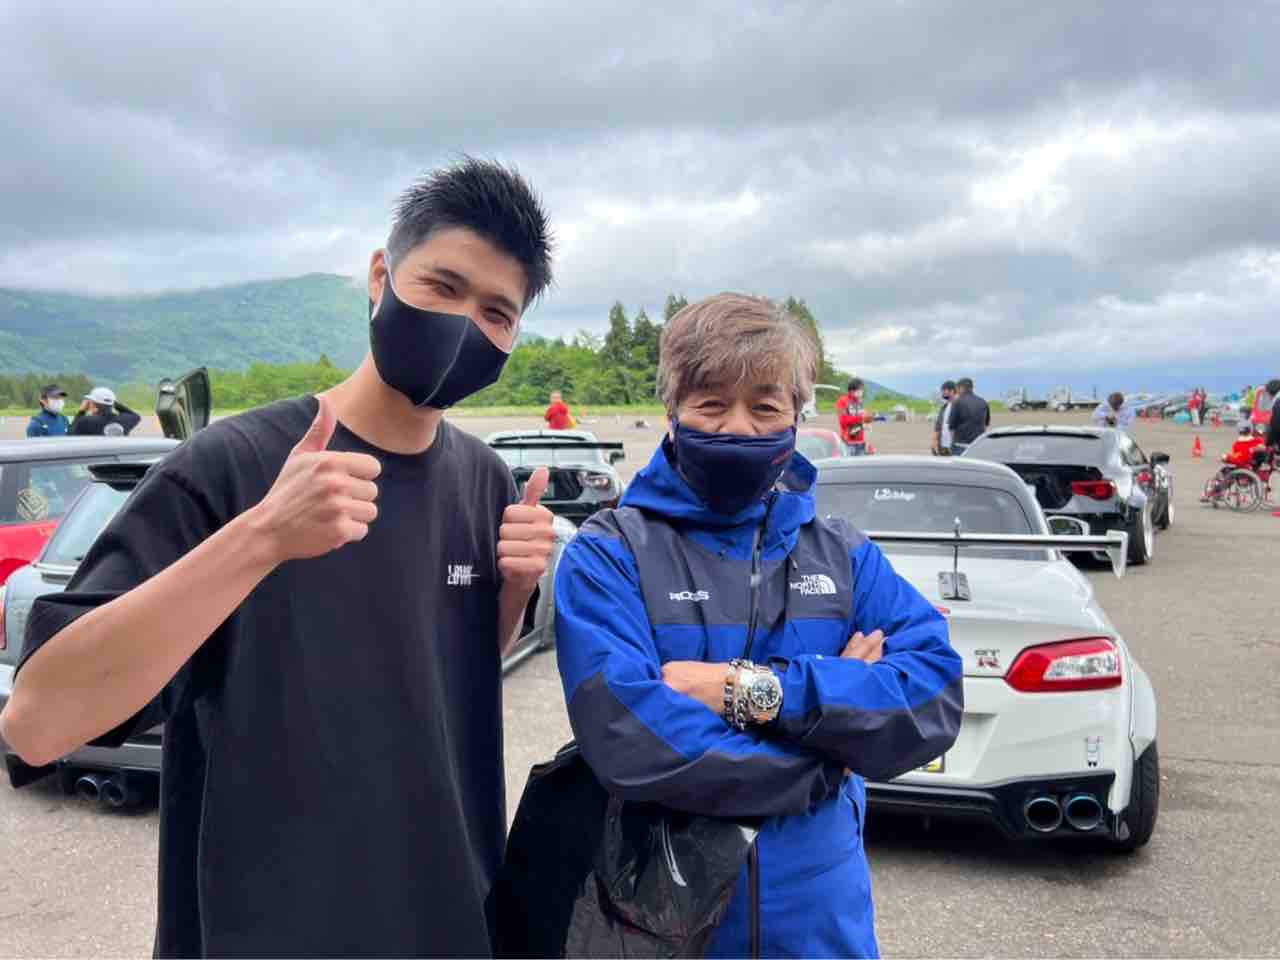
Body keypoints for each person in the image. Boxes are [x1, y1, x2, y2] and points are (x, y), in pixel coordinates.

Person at [1, 159, 557, 957]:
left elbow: (443, 682)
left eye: (496, 313)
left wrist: (510, 594)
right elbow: (38, 722)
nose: (465, 324)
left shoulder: (486, 481)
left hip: (446, 921)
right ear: (381, 277)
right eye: (443, 286)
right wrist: (261, 536)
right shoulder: (229, 467)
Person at [553, 293, 963, 958]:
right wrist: (829, 754)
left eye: (765, 407)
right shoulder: (610, 553)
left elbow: (932, 696)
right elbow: (628, 736)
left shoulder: (844, 554)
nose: (739, 428)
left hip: (820, 930)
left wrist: (746, 690)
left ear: (797, 415)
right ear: (672, 412)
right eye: (712, 404)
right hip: (657, 928)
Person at [69, 387, 142, 436]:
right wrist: (111, 402)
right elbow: (135, 415)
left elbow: (69, 436)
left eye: (90, 402)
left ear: (93, 405)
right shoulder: (125, 420)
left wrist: (81, 412)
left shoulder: (85, 421)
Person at [947, 376, 990, 455]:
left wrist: (951, 444)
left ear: (961, 388)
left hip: (960, 445)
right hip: (977, 445)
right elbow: (985, 425)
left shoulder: (957, 402)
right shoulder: (983, 402)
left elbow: (951, 427)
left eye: (957, 388)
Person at [835, 377, 869, 455]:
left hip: (860, 442)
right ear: (852, 390)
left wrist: (869, 418)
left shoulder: (861, 402)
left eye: (862, 390)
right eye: (860, 390)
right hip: (848, 442)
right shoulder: (842, 401)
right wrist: (860, 417)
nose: (861, 392)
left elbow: (864, 419)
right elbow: (843, 422)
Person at [931, 379, 956, 455]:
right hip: (943, 446)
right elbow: (938, 426)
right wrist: (934, 441)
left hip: (954, 446)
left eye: (944, 390)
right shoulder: (944, 407)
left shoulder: (958, 406)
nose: (942, 393)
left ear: (952, 391)